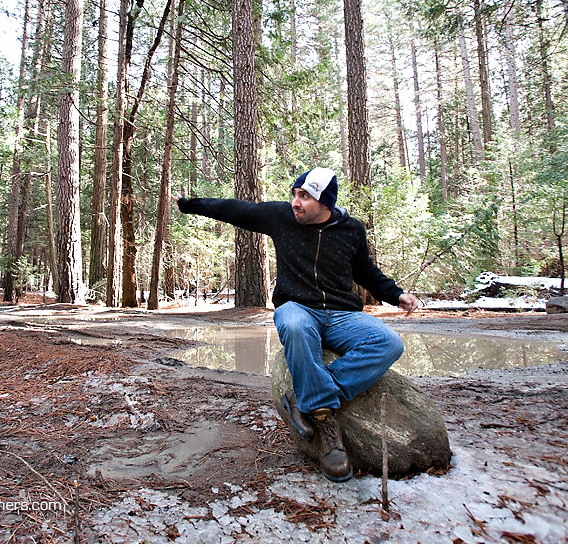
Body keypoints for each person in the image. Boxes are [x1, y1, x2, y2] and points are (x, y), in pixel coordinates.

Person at [174, 167, 418, 482]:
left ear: (325, 202)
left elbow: (367, 273)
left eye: (305, 196)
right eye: (295, 194)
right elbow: (236, 210)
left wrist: (396, 294)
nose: (296, 202)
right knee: (296, 326)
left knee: (389, 343)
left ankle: (305, 398)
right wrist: (191, 204)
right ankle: (323, 419)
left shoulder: (351, 231)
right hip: (298, 308)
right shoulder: (281, 217)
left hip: (343, 315)